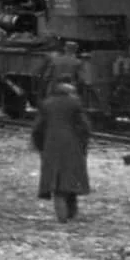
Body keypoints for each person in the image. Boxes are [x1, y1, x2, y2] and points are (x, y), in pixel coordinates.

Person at [35, 82, 91, 223]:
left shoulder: (46, 104)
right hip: (72, 145)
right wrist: (84, 145)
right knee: (70, 179)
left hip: (51, 146)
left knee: (56, 183)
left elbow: (38, 129)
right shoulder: (75, 104)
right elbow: (85, 127)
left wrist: (40, 147)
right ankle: (72, 213)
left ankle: (62, 217)